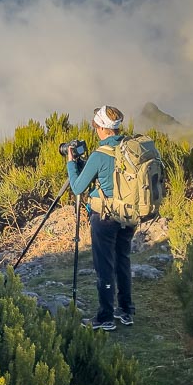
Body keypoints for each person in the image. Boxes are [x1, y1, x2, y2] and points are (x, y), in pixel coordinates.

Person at [66, 105, 136, 331]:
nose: (94, 130)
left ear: (102, 128)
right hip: (129, 214)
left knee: (104, 266)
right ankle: (126, 311)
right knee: (122, 261)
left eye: (95, 126)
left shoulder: (99, 155)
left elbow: (77, 188)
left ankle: (105, 317)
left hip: (105, 217)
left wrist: (70, 162)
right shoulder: (129, 148)